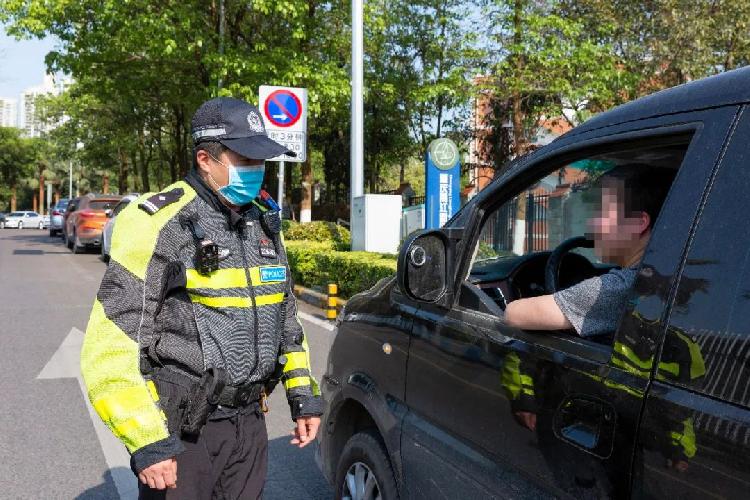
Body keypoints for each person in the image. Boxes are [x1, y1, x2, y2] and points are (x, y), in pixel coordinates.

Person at [80, 96, 323, 499]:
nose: (255, 172)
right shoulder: (157, 222)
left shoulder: (263, 219)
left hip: (249, 422)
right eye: (244, 160)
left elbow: (286, 319)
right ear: (205, 160)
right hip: (183, 429)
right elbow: (113, 343)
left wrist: (303, 396)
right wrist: (148, 441)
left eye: (260, 162)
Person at [504, 165, 675, 337]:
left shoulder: (621, 287)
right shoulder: (668, 275)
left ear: (638, 222)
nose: (592, 224)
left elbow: (514, 314)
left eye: (601, 212)